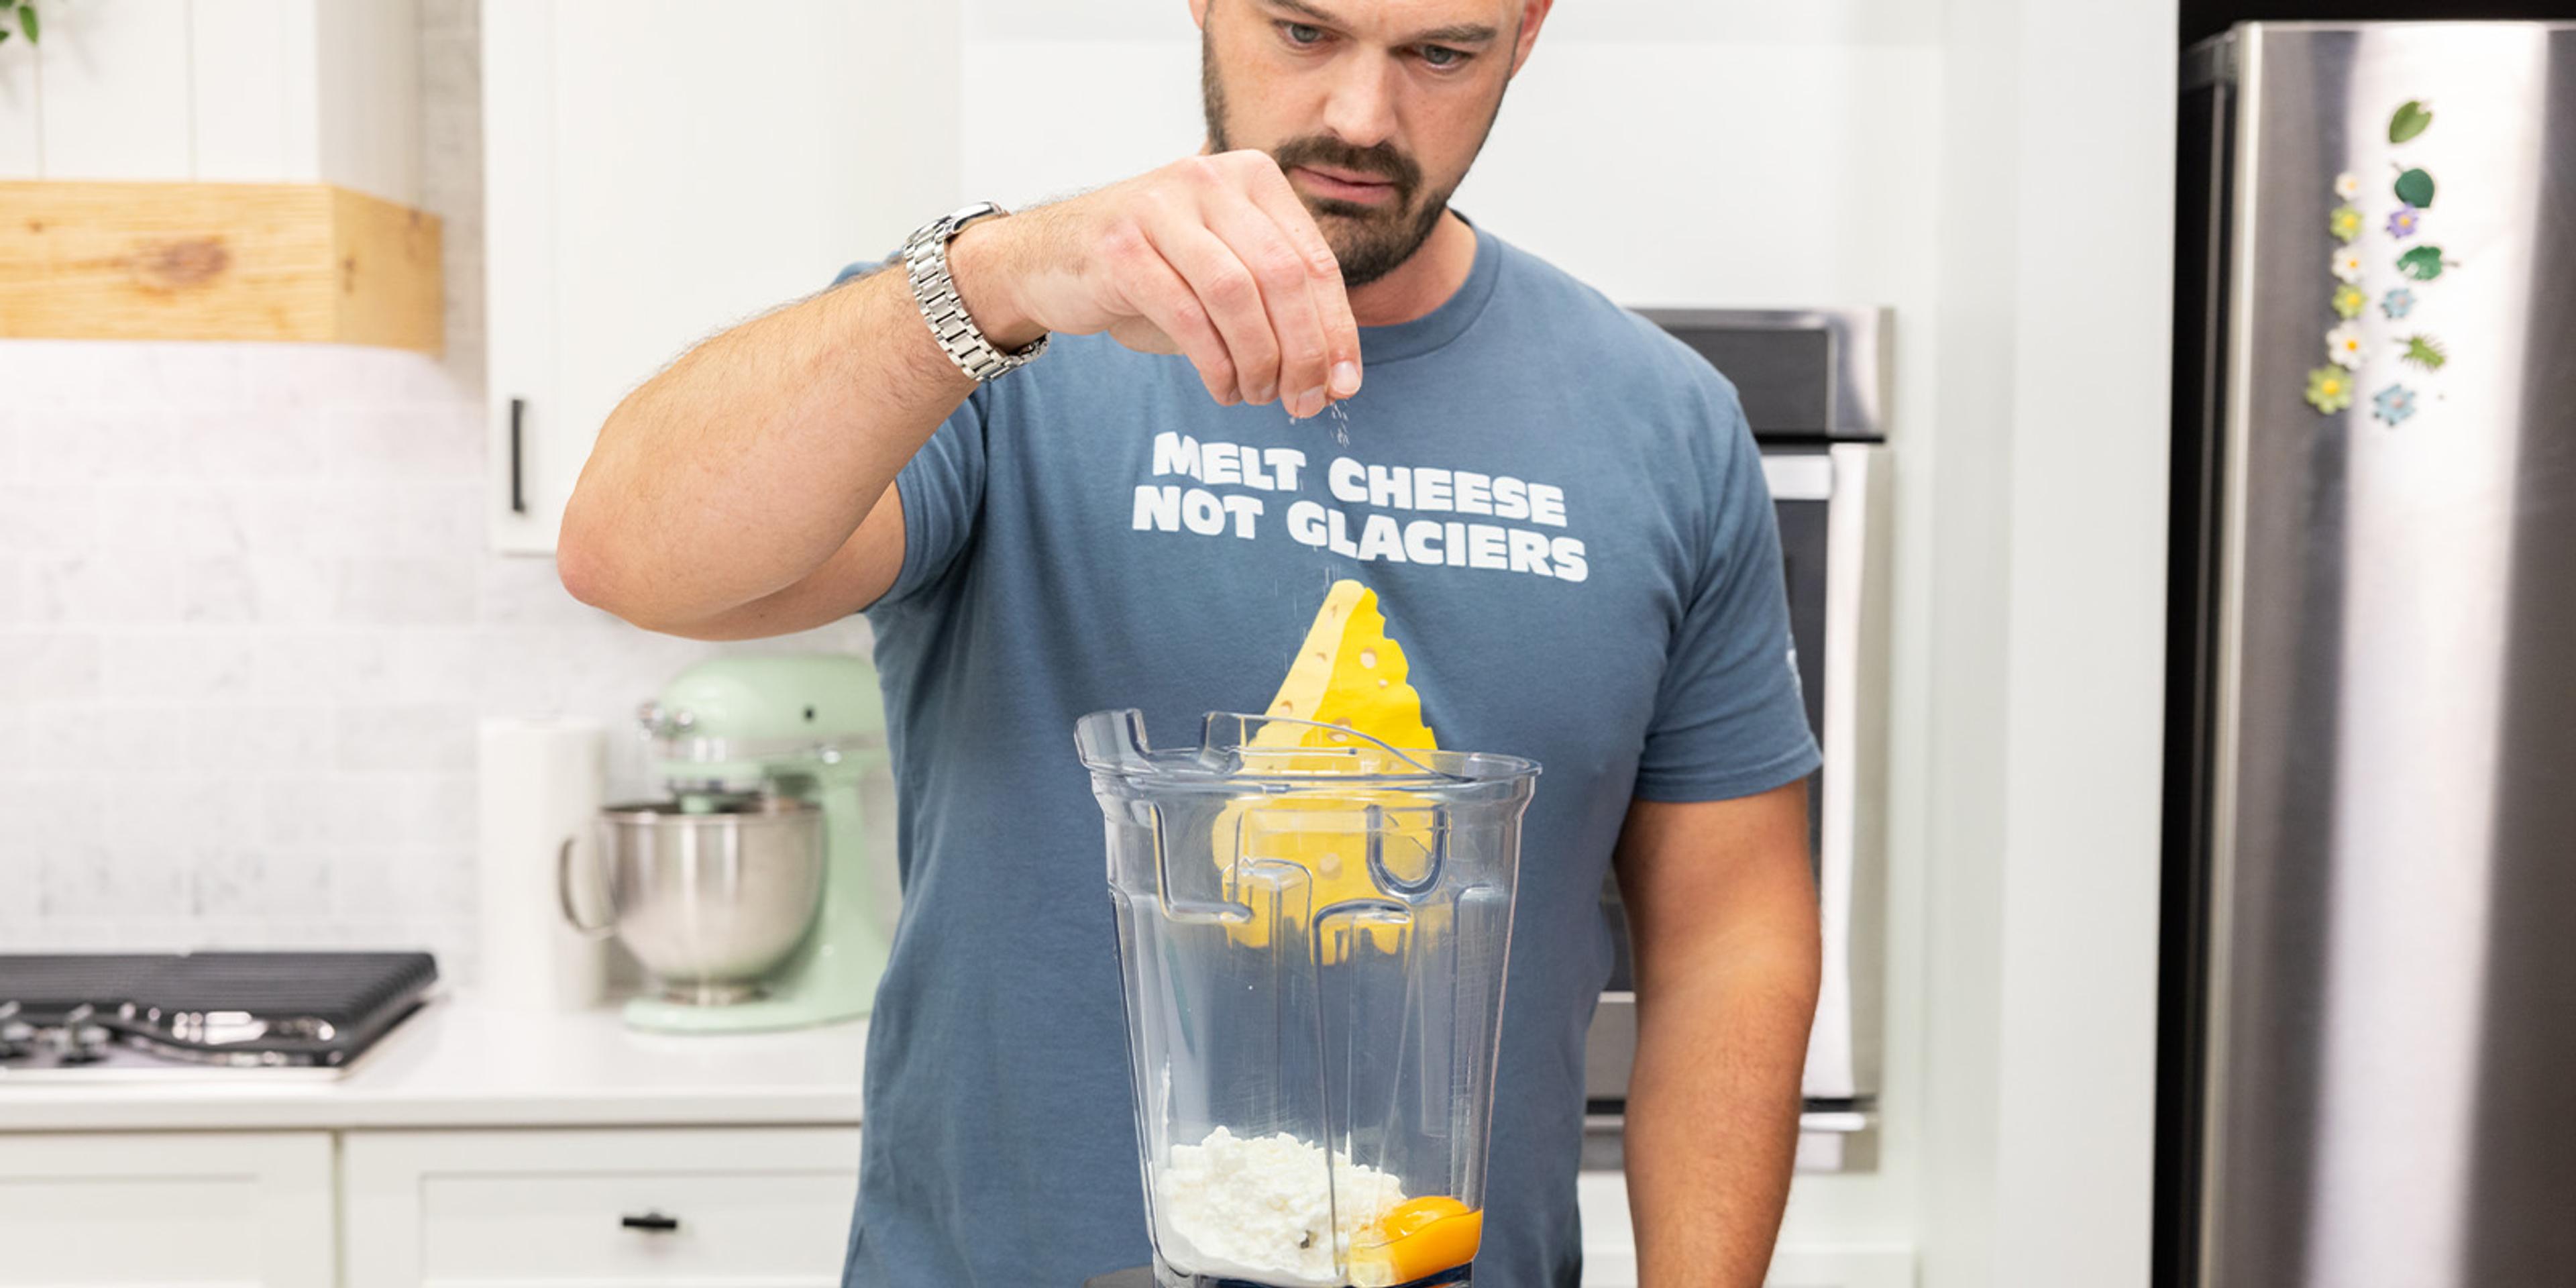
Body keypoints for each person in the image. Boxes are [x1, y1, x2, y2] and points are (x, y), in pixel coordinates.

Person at [558, 1, 1822, 1283]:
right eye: (1304, 31)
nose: (1360, 117)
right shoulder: (1011, 347)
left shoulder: (1662, 420)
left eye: (1442, 53)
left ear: (1530, 30)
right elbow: (626, 553)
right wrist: (996, 275)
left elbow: (1732, 926)